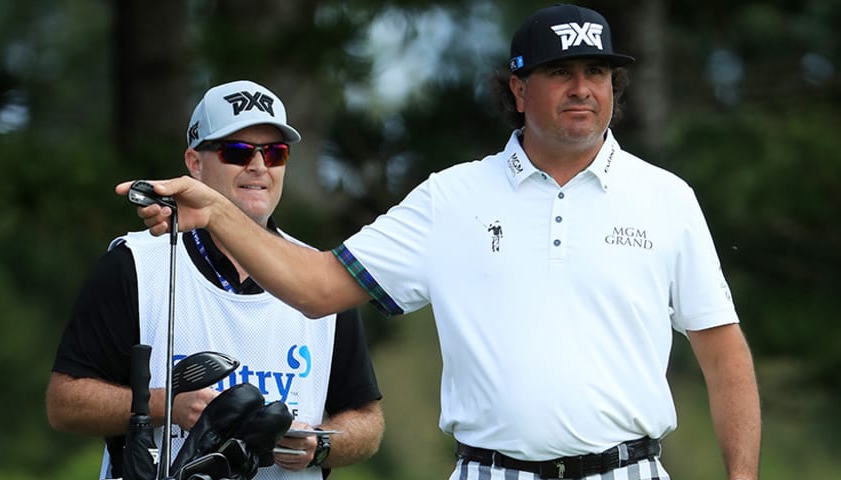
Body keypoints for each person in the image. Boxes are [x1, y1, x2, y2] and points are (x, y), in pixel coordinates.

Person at [118, 5, 761, 480]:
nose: (582, 88)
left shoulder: (666, 198)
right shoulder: (450, 197)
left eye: (597, 71)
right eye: (560, 71)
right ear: (517, 88)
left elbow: (724, 352)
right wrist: (218, 216)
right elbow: (317, 290)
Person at [47, 80, 384, 480]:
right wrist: (163, 405)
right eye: (237, 151)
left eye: (274, 153)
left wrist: (319, 445)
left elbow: (367, 420)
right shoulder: (136, 263)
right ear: (194, 163)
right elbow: (64, 402)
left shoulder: (319, 275)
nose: (258, 166)